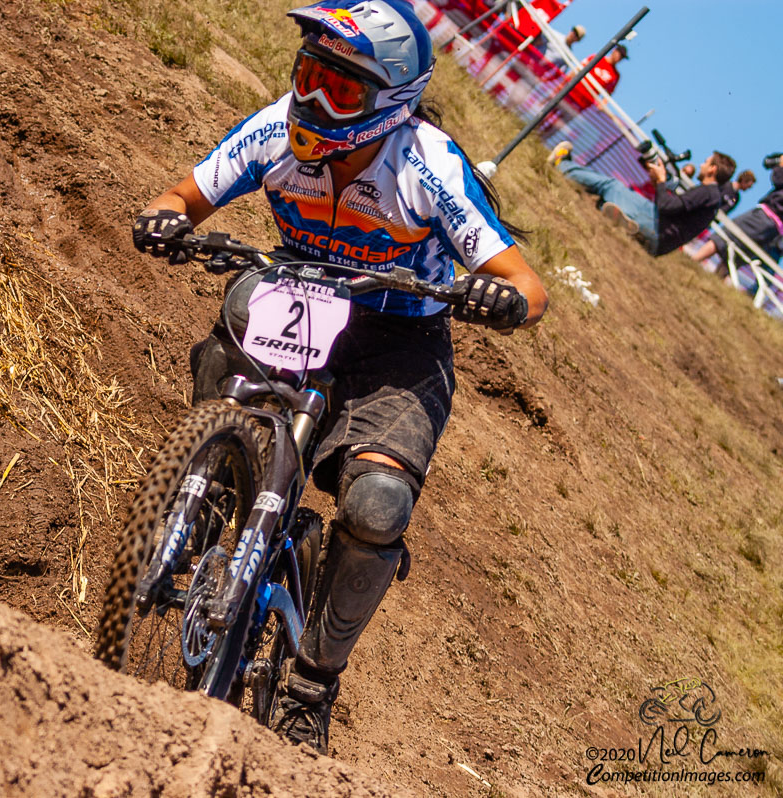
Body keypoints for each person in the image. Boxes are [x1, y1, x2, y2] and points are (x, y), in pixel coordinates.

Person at [131, 0, 548, 755]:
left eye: (341, 90)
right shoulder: (273, 129)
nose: (315, 100)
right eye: (308, 76)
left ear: (390, 103)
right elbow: (184, 195)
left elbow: (528, 283)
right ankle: (214, 480)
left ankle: (310, 687)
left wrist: (501, 296)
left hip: (399, 338)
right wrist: (165, 217)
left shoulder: (427, 163)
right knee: (229, 333)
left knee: (379, 504)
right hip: (300, 292)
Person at [548, 141, 735, 256]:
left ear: (713, 169)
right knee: (610, 195)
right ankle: (623, 219)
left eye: (706, 162)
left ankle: (562, 165)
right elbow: (674, 211)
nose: (702, 164)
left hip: (657, 227)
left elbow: (666, 207)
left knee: (611, 186)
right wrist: (657, 184)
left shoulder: (707, 192)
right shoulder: (712, 198)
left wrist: (661, 181)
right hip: (661, 243)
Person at [691, 163, 783, 271]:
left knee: (725, 236)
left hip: (766, 216)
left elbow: (778, 179)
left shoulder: (736, 197)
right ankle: (713, 276)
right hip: (775, 230)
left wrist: (780, 165)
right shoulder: (728, 187)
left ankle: (693, 260)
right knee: (740, 254)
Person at [564, 43, 626, 112]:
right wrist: (564, 81)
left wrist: (603, 104)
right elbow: (578, 69)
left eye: (622, 57)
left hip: (583, 102)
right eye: (619, 55)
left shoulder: (616, 76)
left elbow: (608, 93)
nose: (619, 58)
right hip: (571, 91)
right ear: (614, 51)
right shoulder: (597, 58)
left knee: (561, 121)